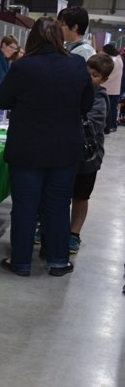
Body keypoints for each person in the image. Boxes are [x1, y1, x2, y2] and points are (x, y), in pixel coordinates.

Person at [0, 17, 93, 277]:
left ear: (32, 39)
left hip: (27, 150)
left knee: (26, 206)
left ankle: (21, 262)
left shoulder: (23, 66)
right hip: (64, 149)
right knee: (59, 205)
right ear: (59, 37)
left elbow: (2, 100)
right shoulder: (77, 65)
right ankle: (59, 260)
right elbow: (87, 104)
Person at [70, 53, 112, 254]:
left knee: (80, 197)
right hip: (66, 154)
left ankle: (74, 234)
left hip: (88, 159)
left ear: (104, 79)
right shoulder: (74, 89)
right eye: (87, 73)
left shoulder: (100, 99)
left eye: (94, 75)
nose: (89, 77)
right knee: (58, 195)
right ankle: (46, 227)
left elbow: (92, 125)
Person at [100, 43, 122, 133]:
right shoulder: (119, 58)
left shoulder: (111, 60)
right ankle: (113, 125)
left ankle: (110, 126)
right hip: (115, 88)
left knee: (109, 109)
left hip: (108, 87)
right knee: (113, 108)